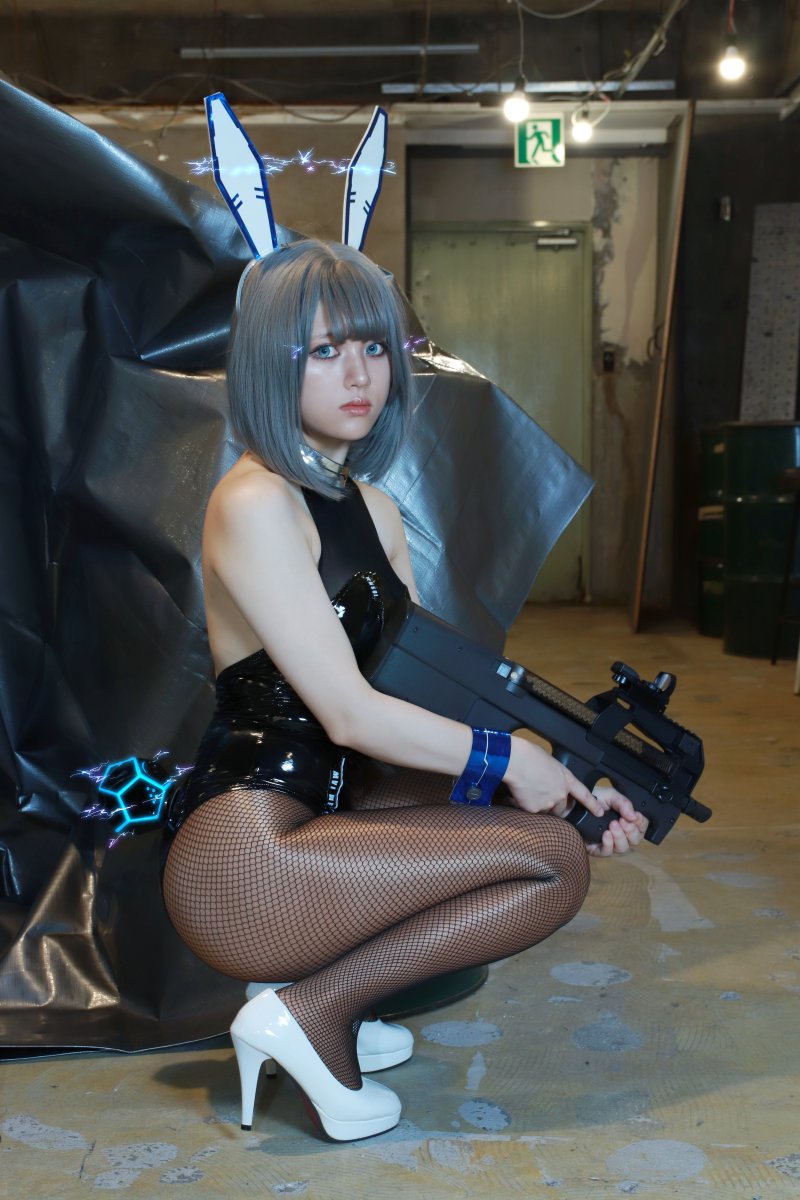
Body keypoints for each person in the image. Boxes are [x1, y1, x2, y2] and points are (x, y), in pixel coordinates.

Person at [161, 237, 647, 1143]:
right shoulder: (255, 502)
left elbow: (432, 700)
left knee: (546, 829)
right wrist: (512, 763)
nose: (360, 374)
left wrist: (575, 785)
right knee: (551, 864)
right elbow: (350, 715)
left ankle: (317, 996)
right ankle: (312, 1011)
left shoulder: (374, 508)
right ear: (269, 364)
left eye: (375, 347)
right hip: (248, 858)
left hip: (329, 824)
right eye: (323, 350)